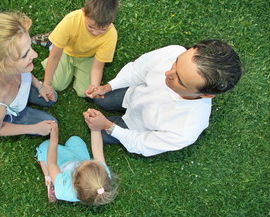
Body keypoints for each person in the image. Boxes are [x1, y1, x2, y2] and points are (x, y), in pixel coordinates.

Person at [84, 39, 242, 157]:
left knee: (97, 133)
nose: (168, 73)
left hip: (137, 126)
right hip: (133, 95)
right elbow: (137, 71)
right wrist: (109, 86)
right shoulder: (174, 51)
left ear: (205, 95)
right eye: (176, 63)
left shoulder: (186, 129)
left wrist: (107, 126)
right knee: (98, 99)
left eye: (180, 80)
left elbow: (141, 144)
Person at [33, 0, 119, 100]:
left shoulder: (111, 34)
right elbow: (54, 57)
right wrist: (46, 84)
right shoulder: (71, 20)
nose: (96, 33)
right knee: (57, 85)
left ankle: (55, 38)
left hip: (87, 57)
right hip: (66, 51)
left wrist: (94, 88)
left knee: (84, 92)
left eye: (103, 29)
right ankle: (52, 40)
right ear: (84, 12)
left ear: (111, 21)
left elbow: (98, 67)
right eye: (91, 27)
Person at [36, 110, 117, 205]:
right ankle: (66, 155)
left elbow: (52, 163)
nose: (83, 162)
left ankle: (49, 179)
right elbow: (97, 148)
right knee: (75, 140)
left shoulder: (63, 188)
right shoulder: (102, 174)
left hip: (61, 166)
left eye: (82, 164)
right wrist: (95, 127)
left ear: (74, 177)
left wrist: (54, 138)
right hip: (76, 157)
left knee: (44, 146)